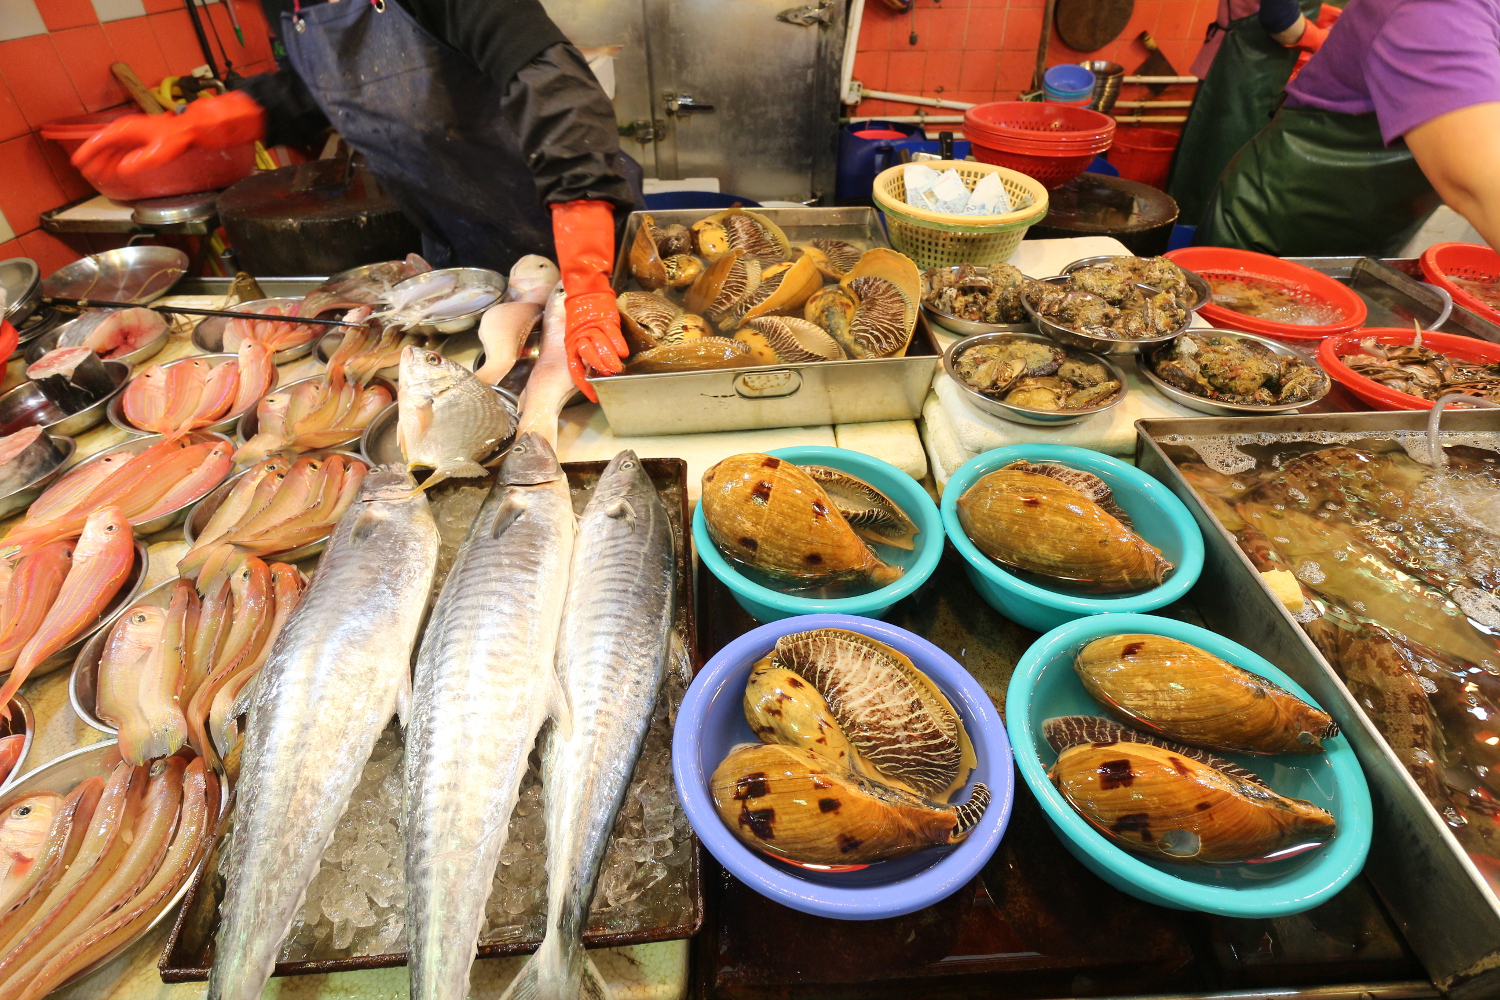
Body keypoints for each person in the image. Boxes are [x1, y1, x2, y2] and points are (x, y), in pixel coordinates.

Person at [72, 0, 635, 399]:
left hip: (576, 233)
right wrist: (198, 124)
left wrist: (586, 281)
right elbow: (321, 86)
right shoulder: (288, 5)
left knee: (597, 403)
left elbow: (554, 84)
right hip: (460, 249)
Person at [1197, 0, 1500, 256]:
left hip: (1368, 239)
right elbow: (1479, 188)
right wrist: (1317, 37)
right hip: (1276, 235)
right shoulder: (1434, 10)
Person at [1167, 0, 1337, 228]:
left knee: (1207, 172)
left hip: (1249, 71)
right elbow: (1280, 22)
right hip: (1238, 71)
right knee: (1212, 178)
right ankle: (1190, 252)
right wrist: (1324, 40)